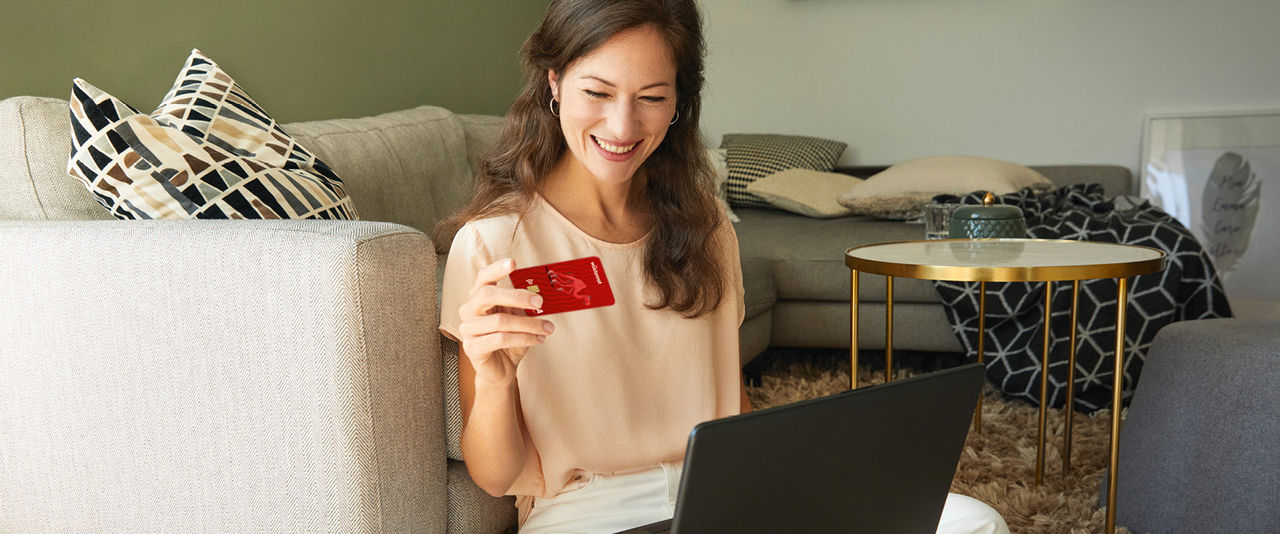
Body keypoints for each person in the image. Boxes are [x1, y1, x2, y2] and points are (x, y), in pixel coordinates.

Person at [437, 1, 1009, 533]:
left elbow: (731, 406)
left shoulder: (703, 223)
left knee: (971, 521)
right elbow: (494, 476)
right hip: (589, 511)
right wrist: (495, 379)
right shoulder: (494, 244)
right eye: (598, 92)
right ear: (553, 83)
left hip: (723, 494)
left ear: (680, 104)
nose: (622, 126)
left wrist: (806, 475)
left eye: (652, 98)